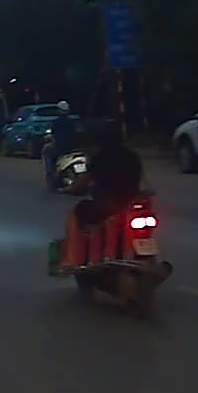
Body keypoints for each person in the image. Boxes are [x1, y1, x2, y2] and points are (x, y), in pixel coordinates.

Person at [58, 122, 145, 268]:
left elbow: (82, 183)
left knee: (75, 213)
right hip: (131, 205)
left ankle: (70, 259)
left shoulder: (101, 157)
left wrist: (69, 189)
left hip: (107, 207)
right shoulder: (132, 156)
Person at [43, 101, 77, 180]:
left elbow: (53, 135)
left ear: (58, 110)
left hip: (59, 148)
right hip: (72, 147)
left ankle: (50, 172)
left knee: (46, 151)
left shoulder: (56, 122)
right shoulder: (72, 122)